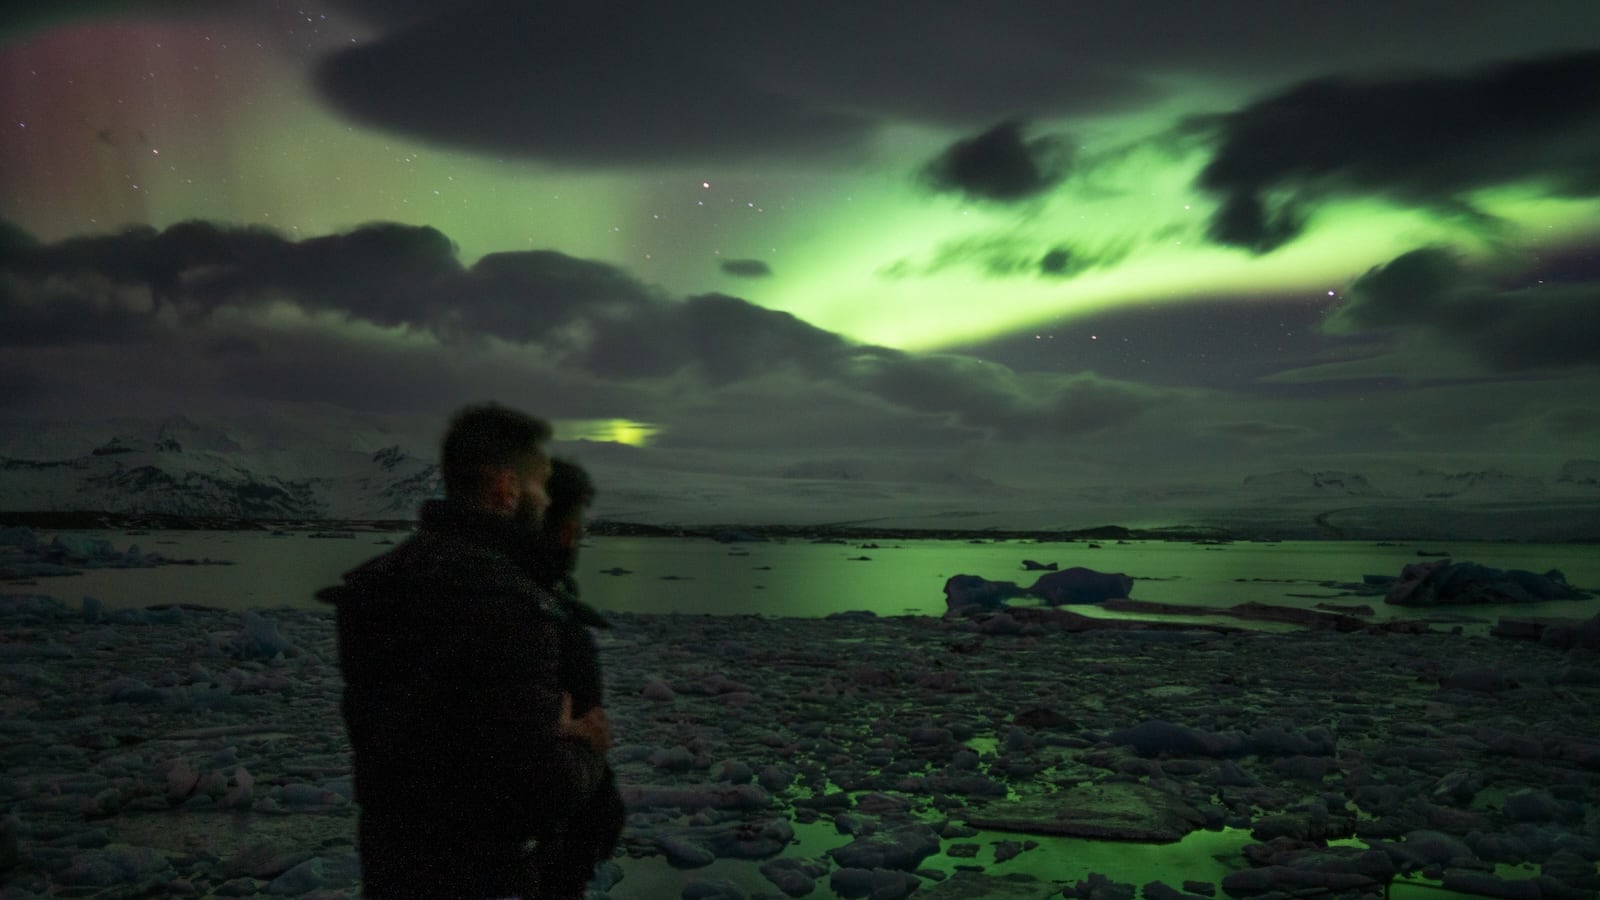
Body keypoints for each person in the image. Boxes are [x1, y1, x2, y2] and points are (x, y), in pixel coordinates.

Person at [318, 404, 610, 899]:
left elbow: (405, 745)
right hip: (486, 878)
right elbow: (536, 790)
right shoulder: (510, 605)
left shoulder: (377, 586)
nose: (544, 503)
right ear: (505, 488)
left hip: (395, 875)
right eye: (538, 485)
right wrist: (584, 743)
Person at [523, 458, 625, 898]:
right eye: (575, 524)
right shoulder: (537, 621)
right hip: (534, 868)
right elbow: (536, 777)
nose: (578, 536)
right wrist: (584, 746)